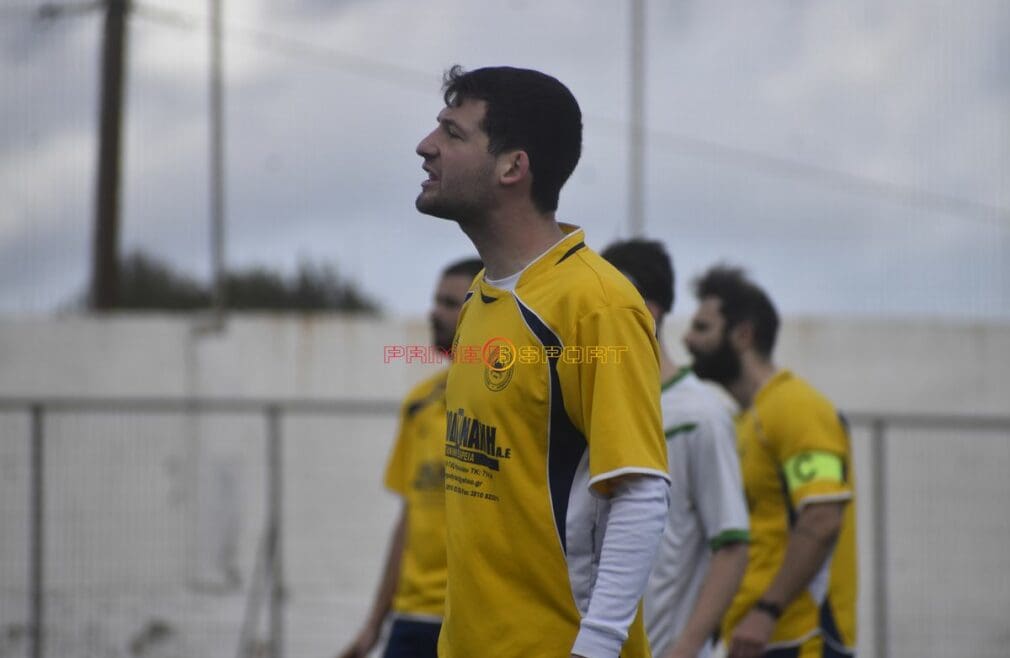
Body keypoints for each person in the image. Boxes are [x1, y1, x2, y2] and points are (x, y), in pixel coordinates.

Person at [414, 65, 671, 658]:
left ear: (513, 167)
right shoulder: (482, 295)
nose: (426, 146)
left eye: (452, 133)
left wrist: (597, 646)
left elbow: (639, 492)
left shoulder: (595, 304)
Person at [683, 266, 857, 658]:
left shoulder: (796, 407)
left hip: (802, 641)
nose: (688, 339)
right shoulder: (746, 419)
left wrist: (767, 610)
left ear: (743, 335)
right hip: (756, 640)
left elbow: (822, 517)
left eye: (702, 327)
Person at [601, 240, 750, 658]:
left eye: (603, 301)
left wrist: (685, 649)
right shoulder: (593, 406)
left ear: (648, 311)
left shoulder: (700, 414)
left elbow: (732, 546)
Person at [338, 257, 483, 658]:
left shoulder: (514, 403)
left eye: (450, 304)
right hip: (412, 619)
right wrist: (373, 624)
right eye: (436, 301)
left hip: (478, 620)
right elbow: (408, 519)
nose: (434, 313)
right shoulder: (419, 403)